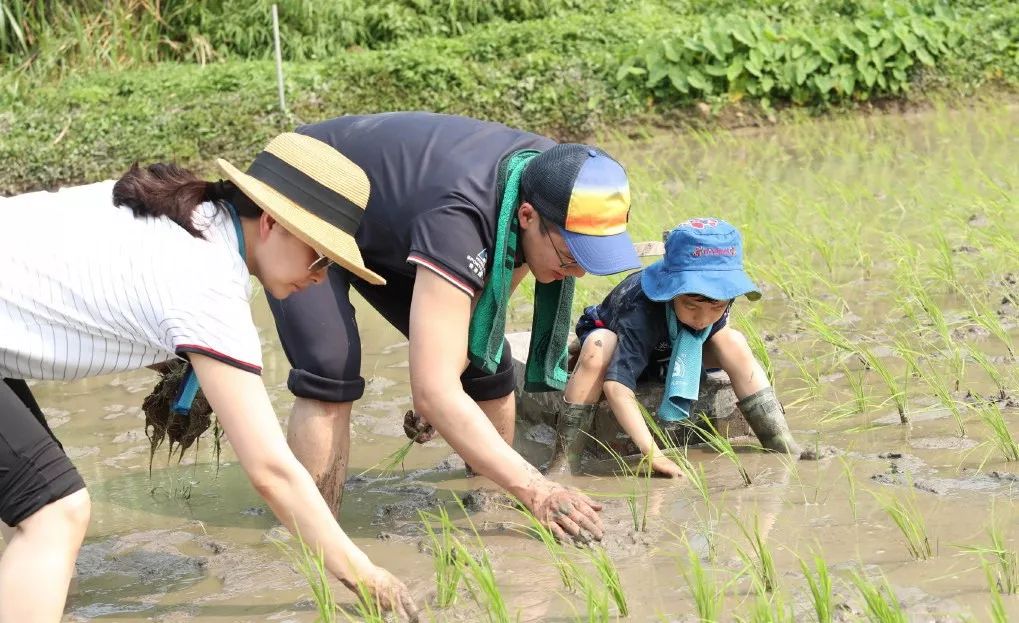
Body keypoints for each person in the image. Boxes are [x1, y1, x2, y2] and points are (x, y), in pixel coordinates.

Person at [0, 133, 418, 622]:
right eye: (321, 256)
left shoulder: (189, 214)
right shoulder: (209, 281)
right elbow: (272, 471)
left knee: (36, 508)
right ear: (271, 222)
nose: (321, 276)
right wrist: (365, 574)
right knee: (55, 512)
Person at [266, 112, 642, 542]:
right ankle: (312, 537)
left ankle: (492, 508)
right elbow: (435, 388)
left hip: (394, 215)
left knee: (486, 361)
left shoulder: (554, 174)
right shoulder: (461, 218)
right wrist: (537, 487)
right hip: (307, 189)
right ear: (526, 217)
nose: (575, 273)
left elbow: (483, 313)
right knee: (330, 366)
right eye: (571, 257)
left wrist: (441, 385)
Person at [547, 218, 801, 477]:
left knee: (733, 340)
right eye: (691, 306)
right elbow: (616, 387)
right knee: (599, 345)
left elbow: (713, 324)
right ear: (670, 292)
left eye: (716, 307)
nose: (703, 319)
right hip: (623, 347)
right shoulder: (641, 310)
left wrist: (707, 315)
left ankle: (779, 441)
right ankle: (565, 461)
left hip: (670, 351)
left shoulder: (720, 301)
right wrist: (653, 454)